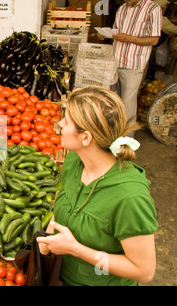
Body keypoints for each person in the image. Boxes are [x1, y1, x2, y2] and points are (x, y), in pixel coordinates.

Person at [36, 86, 158, 286]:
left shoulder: (130, 198)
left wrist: (75, 249)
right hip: (61, 277)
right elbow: (69, 203)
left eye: (66, 122)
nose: (59, 124)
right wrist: (49, 236)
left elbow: (144, 272)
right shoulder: (74, 161)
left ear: (86, 137)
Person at [97, 0, 162, 128]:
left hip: (133, 63)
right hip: (115, 60)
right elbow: (117, 32)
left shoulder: (153, 9)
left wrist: (129, 38)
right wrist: (105, 34)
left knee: (127, 103)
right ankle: (112, 134)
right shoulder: (122, 9)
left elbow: (154, 40)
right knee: (113, 101)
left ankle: (127, 139)